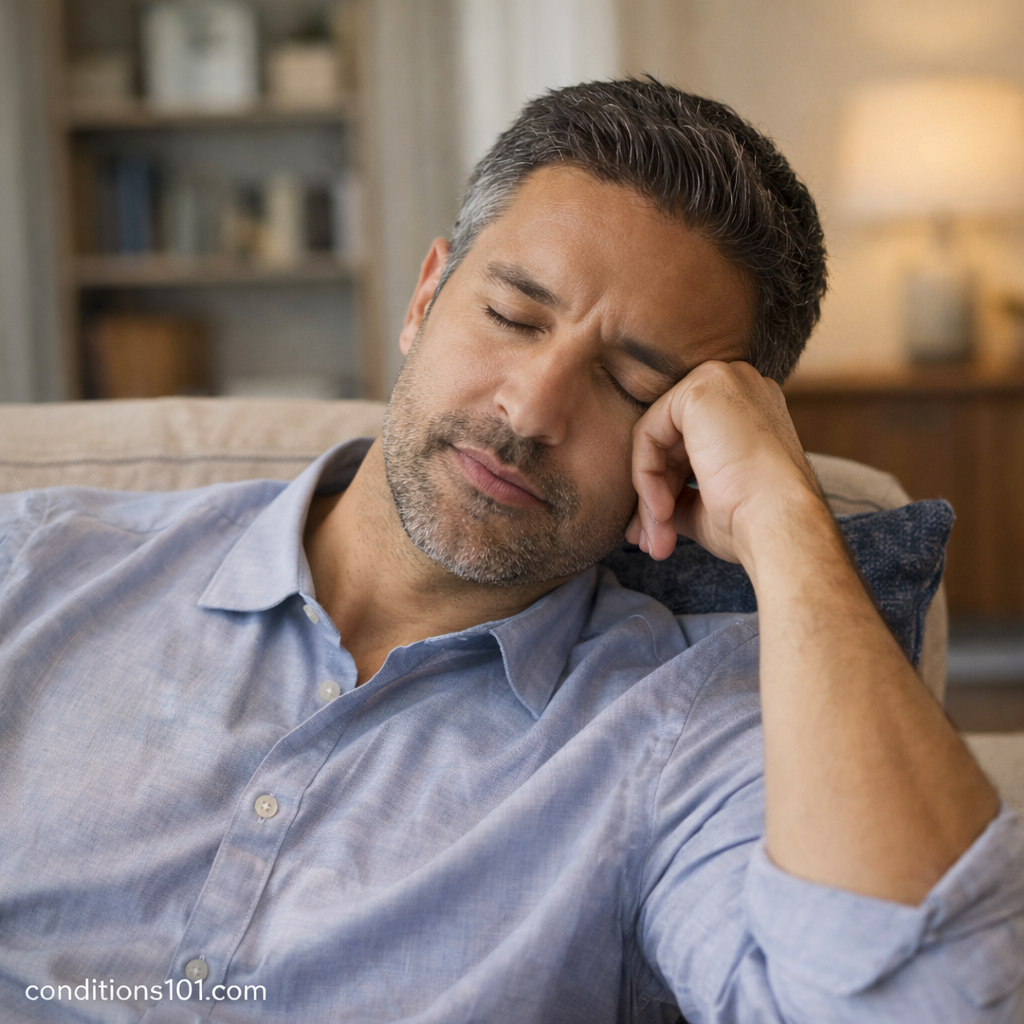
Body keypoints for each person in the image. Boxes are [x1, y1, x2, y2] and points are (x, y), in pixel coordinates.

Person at [1, 79, 1021, 1024]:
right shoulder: (39, 565)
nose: (530, 409)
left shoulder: (675, 731)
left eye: (631, 385)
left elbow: (920, 998)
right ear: (424, 297)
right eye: (510, 315)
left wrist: (787, 519)